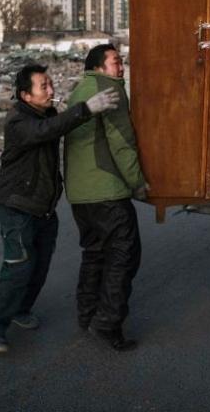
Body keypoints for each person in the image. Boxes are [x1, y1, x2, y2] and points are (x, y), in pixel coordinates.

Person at [0, 63, 119, 354]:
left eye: (51, 83)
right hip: (16, 206)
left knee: (39, 267)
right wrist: (84, 109)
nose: (51, 90)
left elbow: (56, 125)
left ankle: (20, 308)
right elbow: (44, 131)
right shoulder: (18, 121)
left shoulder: (47, 113)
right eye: (44, 86)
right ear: (25, 95)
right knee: (18, 268)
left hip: (42, 207)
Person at [64, 44, 148, 351]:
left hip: (80, 195)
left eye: (121, 62)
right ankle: (107, 322)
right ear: (100, 67)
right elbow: (122, 142)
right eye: (116, 62)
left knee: (95, 253)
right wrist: (138, 183)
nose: (122, 68)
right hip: (106, 191)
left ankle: (87, 315)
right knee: (124, 256)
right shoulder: (110, 90)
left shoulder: (80, 89)